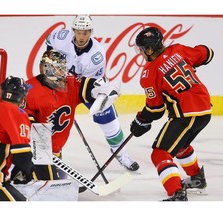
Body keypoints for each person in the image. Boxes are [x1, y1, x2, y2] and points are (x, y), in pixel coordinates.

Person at [45, 14, 139, 171]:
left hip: (88, 86)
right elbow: (49, 41)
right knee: (54, 119)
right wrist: (51, 64)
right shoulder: (61, 36)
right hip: (62, 85)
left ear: (91, 32)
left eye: (86, 32)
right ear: (73, 30)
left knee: (108, 120)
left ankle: (121, 153)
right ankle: (53, 155)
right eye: (79, 32)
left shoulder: (97, 55)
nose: (81, 36)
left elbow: (88, 86)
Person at [130, 26, 214, 201]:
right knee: (180, 145)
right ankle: (197, 179)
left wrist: (141, 120)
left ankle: (176, 192)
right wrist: (189, 61)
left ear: (150, 49)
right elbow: (208, 53)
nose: (141, 53)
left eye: (141, 49)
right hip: (205, 109)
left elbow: (155, 110)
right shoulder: (178, 50)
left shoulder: (149, 73)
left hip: (186, 114)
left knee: (160, 153)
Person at [23, 49, 120, 180]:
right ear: (45, 68)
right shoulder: (29, 90)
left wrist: (101, 90)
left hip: (56, 151)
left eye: (63, 68)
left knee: (57, 182)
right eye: (58, 69)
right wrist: (38, 144)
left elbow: (88, 88)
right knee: (46, 184)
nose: (62, 73)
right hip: (34, 150)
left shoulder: (69, 82)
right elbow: (22, 121)